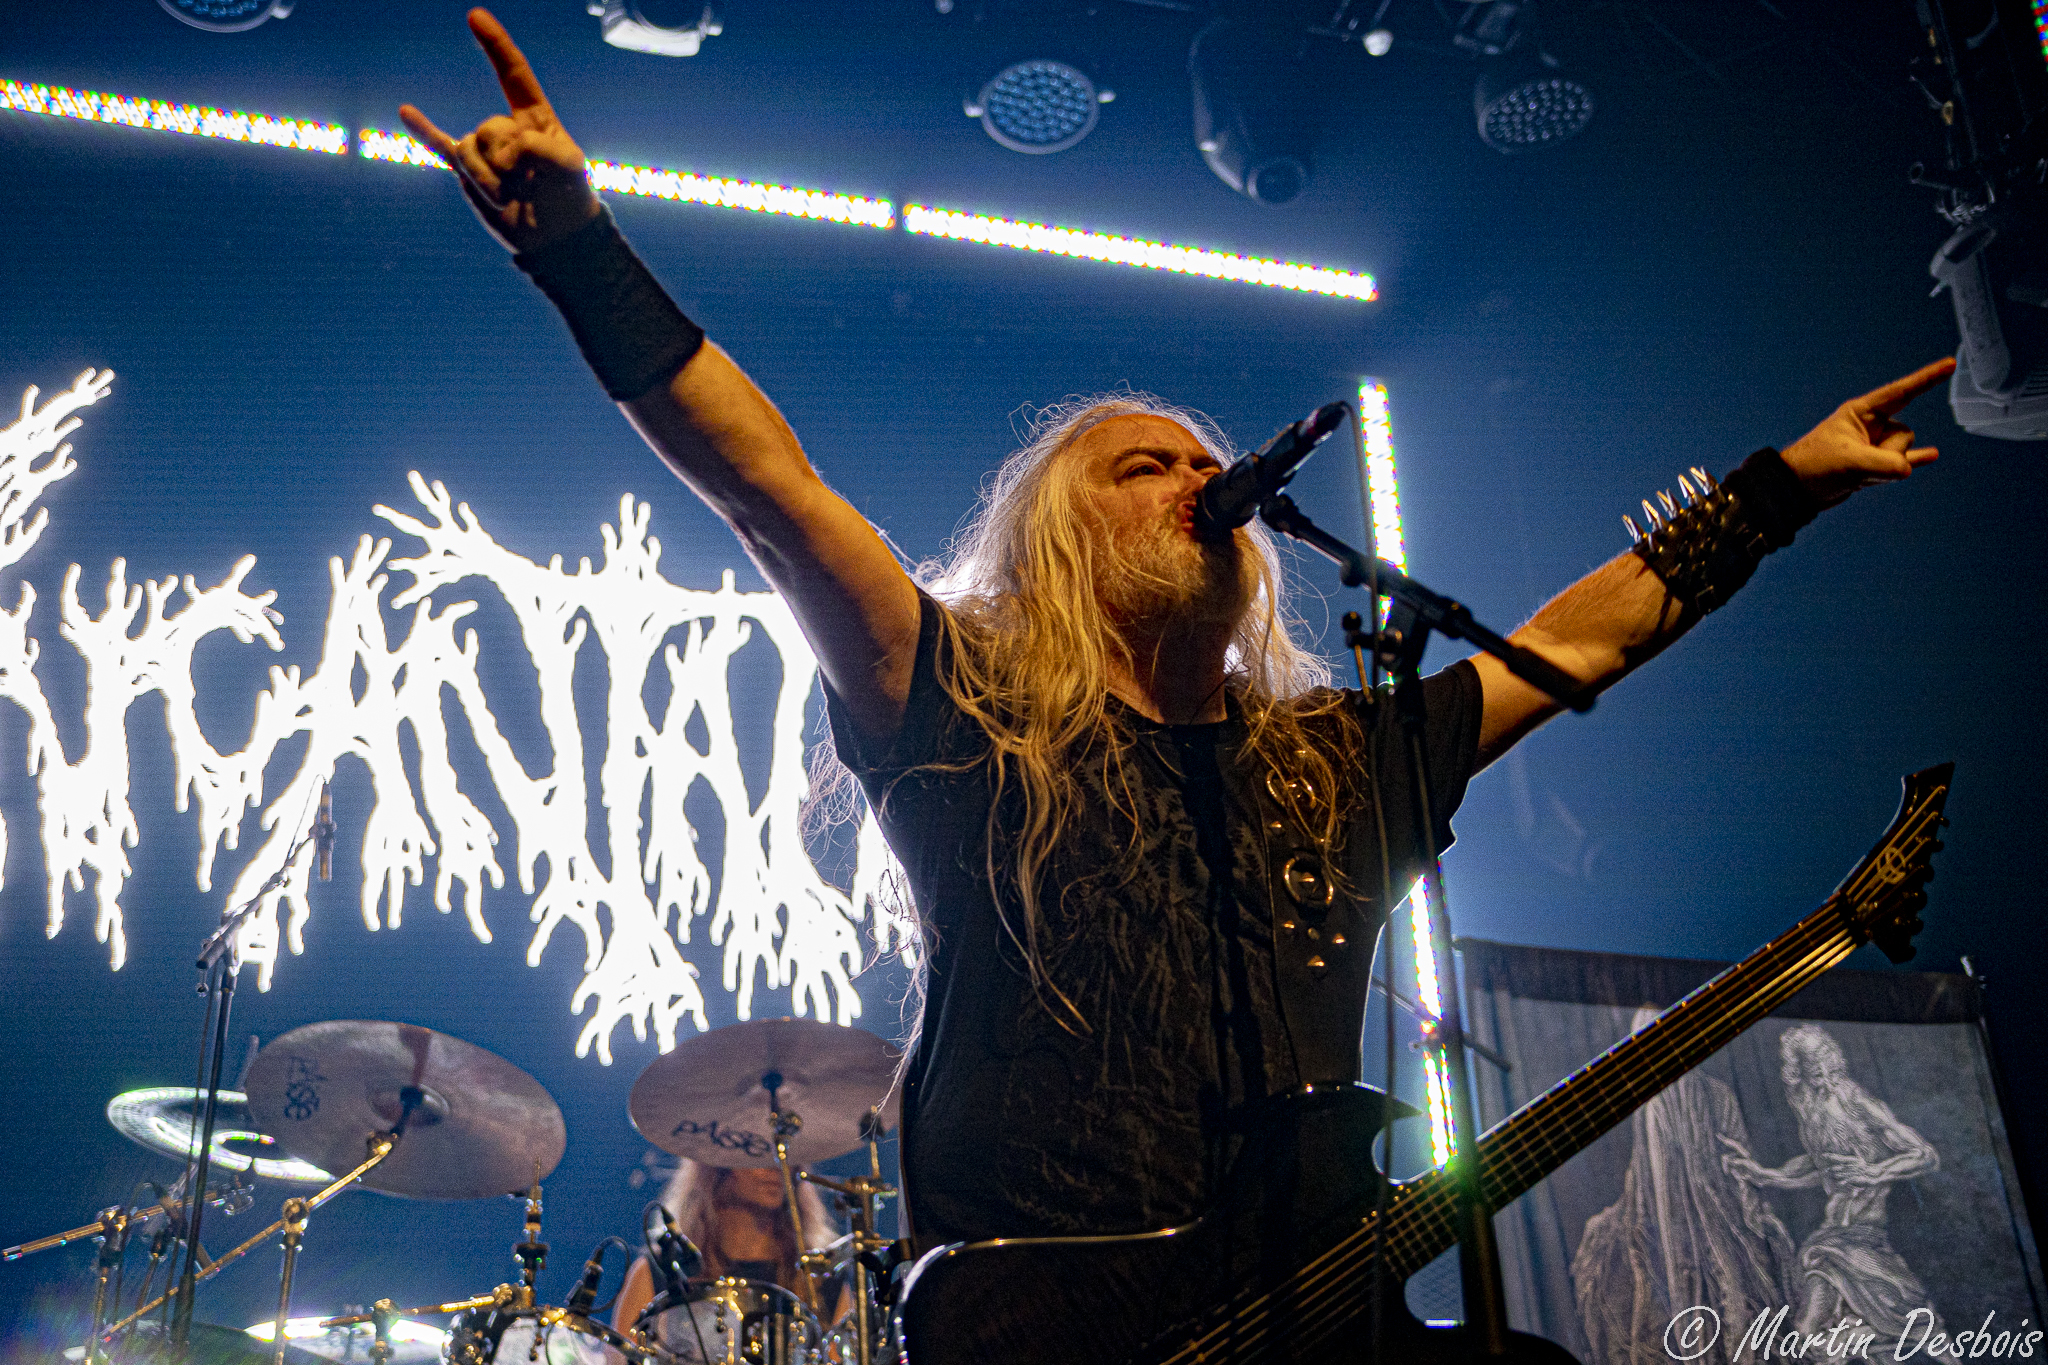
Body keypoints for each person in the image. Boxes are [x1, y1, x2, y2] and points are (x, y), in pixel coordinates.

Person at [400, 5, 1954, 1265]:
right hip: (1039, 1309)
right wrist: (579, 251)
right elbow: (770, 493)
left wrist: (1786, 484)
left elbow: (1579, 643)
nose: (1196, 480)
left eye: (1204, 463)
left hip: (1306, 1298)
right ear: (1055, 544)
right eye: (1142, 468)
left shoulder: (1327, 764)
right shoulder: (961, 707)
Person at [1720, 1025, 1954, 1360]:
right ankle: (1862, 1336)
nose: (1825, 1079)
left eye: (1828, 1068)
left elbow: (1925, 1154)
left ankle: (1865, 1335)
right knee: (1807, 1334)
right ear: (1799, 1072)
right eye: (1815, 1072)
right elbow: (1819, 1165)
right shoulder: (1809, 1107)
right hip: (1831, 1240)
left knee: (1908, 1326)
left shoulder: (1855, 1100)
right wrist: (1766, 1176)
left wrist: (1874, 1172)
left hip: (1864, 1238)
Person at [611, 1160, 843, 1361]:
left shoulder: (823, 1279)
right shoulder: (661, 1271)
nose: (775, 1166)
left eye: (782, 1153)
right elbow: (620, 1359)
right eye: (757, 1152)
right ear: (715, 1162)